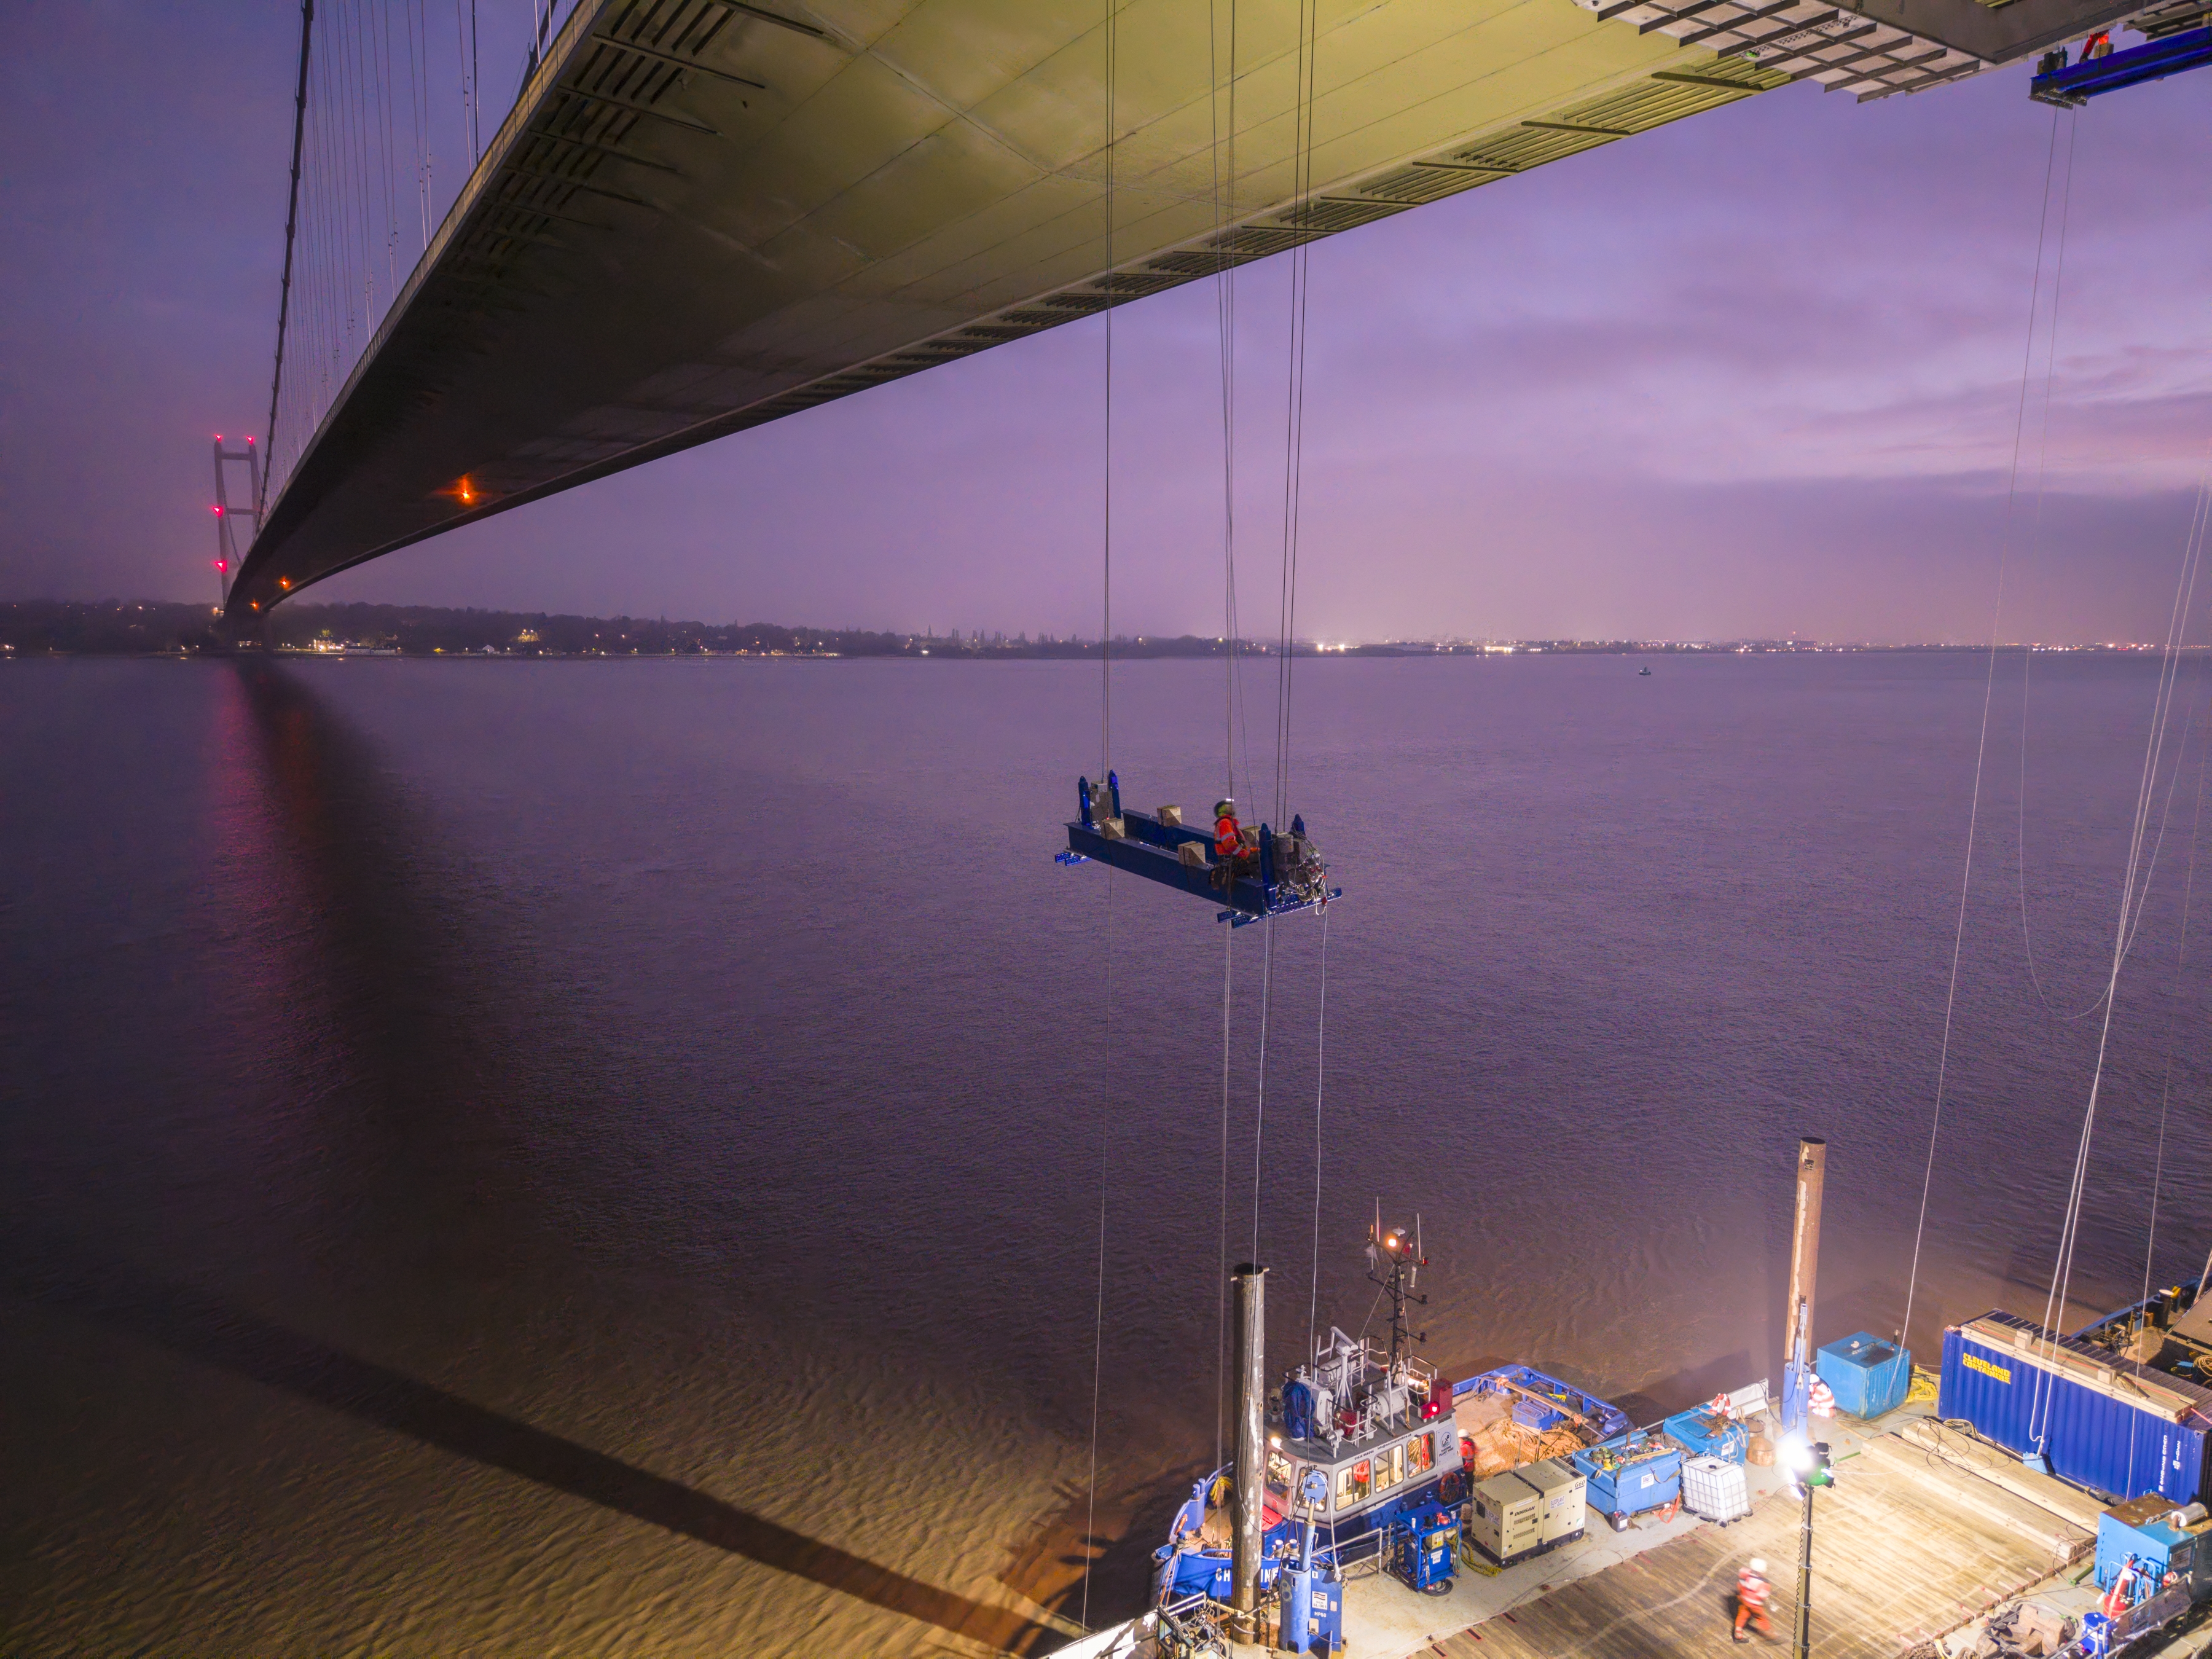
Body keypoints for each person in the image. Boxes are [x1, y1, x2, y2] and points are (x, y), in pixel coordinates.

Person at [1735, 1558, 1774, 1643]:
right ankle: (1769, 1634)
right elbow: (1763, 1596)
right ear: (1759, 1572)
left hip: (1744, 1601)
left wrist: (1740, 1594)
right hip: (1755, 1605)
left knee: (1741, 1617)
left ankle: (1738, 1636)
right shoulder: (1763, 1583)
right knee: (1761, 1618)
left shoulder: (1745, 1573)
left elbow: (1740, 1582)